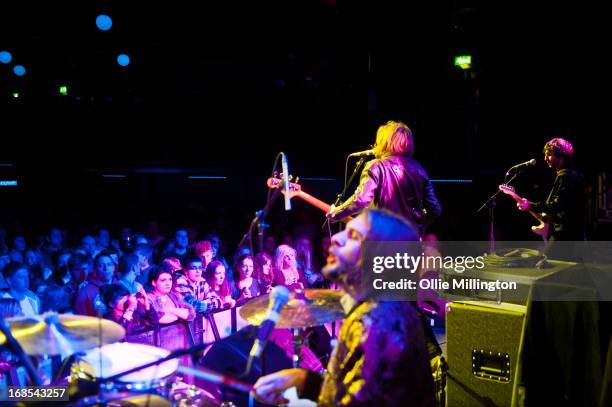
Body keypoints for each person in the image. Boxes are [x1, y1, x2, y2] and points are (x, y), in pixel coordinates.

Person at [253, 209, 436, 406]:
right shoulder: (381, 308)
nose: (336, 238)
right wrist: (303, 380)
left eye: (353, 236)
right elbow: (349, 391)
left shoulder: (377, 324)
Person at [327, 120, 441, 237]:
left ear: (384, 142)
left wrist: (336, 212)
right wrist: (418, 226)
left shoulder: (376, 166)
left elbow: (361, 199)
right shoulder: (419, 170)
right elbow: (435, 209)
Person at [516, 137, 585, 244]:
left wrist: (530, 206)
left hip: (565, 237)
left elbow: (557, 206)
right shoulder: (569, 175)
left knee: (544, 261)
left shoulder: (566, 176)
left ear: (560, 154)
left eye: (548, 154)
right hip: (568, 236)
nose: (545, 158)